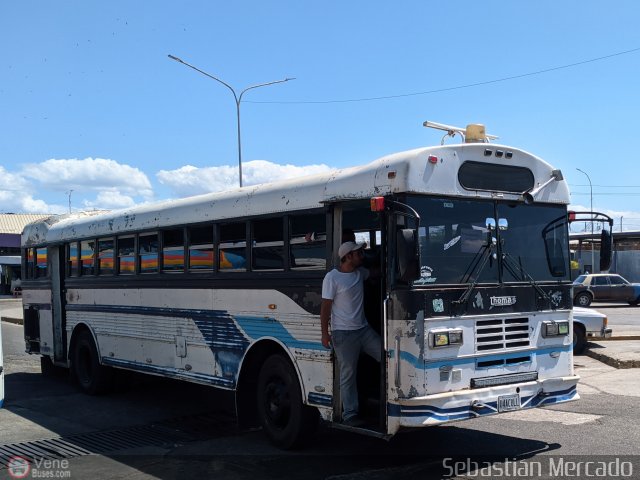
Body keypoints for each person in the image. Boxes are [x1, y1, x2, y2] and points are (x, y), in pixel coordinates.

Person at [320, 240, 381, 427]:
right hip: (343, 335)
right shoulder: (332, 278)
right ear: (347, 257)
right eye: (358, 253)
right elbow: (325, 308)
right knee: (348, 374)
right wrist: (325, 334)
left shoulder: (359, 273)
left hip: (364, 330)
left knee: (388, 357)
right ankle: (350, 415)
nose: (362, 256)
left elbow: (377, 273)